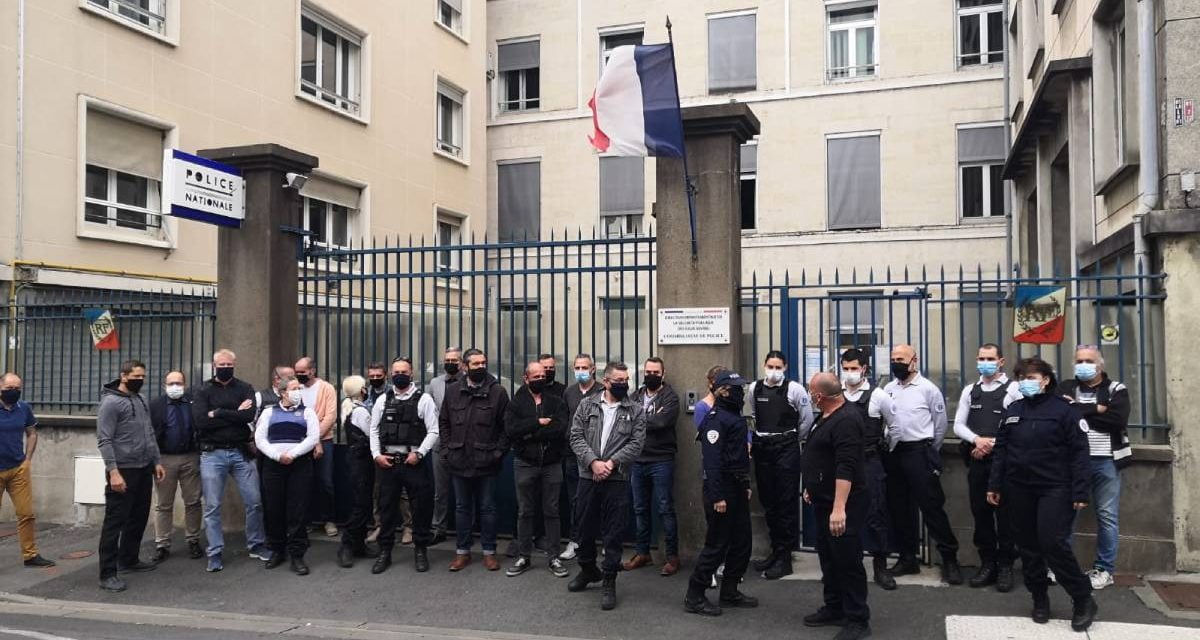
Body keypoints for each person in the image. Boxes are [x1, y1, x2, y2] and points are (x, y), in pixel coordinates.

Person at [988, 357, 1098, 631]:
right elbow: (1001, 451)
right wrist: (994, 485)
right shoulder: (1013, 410)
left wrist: (1080, 490)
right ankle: (1039, 598)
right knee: (1027, 547)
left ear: (1046, 380)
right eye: (1021, 377)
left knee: (1053, 543)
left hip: (1055, 488)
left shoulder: (1065, 410)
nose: (1025, 382)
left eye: (1031, 376)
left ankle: (1082, 597)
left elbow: (1080, 453)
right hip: (1019, 488)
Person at [567, 361, 646, 611]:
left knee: (613, 532)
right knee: (584, 528)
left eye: (626, 380)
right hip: (588, 476)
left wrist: (610, 463)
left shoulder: (635, 410)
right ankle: (588, 569)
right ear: (606, 380)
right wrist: (593, 463)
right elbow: (576, 436)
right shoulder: (587, 404)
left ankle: (609, 580)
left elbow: (636, 443)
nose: (623, 384)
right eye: (619, 380)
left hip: (617, 479)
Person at [883, 344, 962, 584]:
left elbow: (939, 427)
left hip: (920, 453)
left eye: (902, 358)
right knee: (899, 508)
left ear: (914, 361)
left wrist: (929, 452)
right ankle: (908, 558)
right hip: (894, 453)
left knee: (932, 508)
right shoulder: (888, 388)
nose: (897, 362)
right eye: (894, 358)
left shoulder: (928, 389)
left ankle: (950, 560)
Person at [801, 372, 870, 640]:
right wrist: (812, 487)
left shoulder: (847, 421)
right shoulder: (827, 416)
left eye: (811, 392)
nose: (809, 396)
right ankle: (835, 607)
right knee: (829, 558)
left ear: (820, 396)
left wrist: (839, 508)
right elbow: (820, 457)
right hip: (823, 499)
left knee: (847, 560)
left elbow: (846, 467)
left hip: (843, 504)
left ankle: (858, 619)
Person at [1057, 345, 1131, 591]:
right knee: (1067, 515)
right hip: (1073, 462)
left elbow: (1117, 420)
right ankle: (1062, 567)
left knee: (1107, 516)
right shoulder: (1066, 387)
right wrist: (1097, 409)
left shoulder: (1116, 389)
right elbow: (1061, 414)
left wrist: (1078, 409)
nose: (1083, 365)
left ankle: (1104, 570)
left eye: (1088, 360)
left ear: (1100, 364)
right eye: (1079, 360)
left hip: (1107, 460)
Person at [683, 370, 756, 617]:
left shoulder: (733, 416)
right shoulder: (716, 420)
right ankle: (695, 595)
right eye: (736, 389)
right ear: (723, 391)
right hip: (722, 490)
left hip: (736, 487)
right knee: (716, 545)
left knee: (742, 542)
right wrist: (717, 497)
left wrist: (745, 484)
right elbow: (712, 463)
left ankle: (730, 590)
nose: (741, 393)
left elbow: (739, 459)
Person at [952, 344, 1022, 591]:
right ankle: (988, 564)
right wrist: (977, 440)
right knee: (981, 515)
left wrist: (991, 443)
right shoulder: (971, 390)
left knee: (1005, 517)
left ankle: (1005, 566)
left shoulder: (1013, 389)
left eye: (990, 358)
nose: (985, 362)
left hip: (1003, 462)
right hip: (978, 459)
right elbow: (958, 425)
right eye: (981, 358)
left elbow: (1019, 423)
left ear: (1001, 361)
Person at [194, 349, 270, 572]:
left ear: (234, 365)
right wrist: (233, 413)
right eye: (221, 364)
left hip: (240, 453)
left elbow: (248, 417)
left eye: (229, 364)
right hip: (212, 454)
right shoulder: (202, 390)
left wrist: (217, 413)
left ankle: (256, 544)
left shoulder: (244, 388)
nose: (225, 367)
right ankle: (215, 552)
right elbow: (200, 422)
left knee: (255, 502)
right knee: (213, 506)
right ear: (214, 365)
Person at [96, 360, 165, 592]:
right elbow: (104, 439)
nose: (141, 380)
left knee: (139, 515)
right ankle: (107, 573)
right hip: (123, 469)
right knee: (115, 521)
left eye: (143, 376)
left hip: (144, 466)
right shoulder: (110, 403)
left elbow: (149, 433)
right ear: (123, 376)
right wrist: (113, 472)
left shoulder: (141, 400)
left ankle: (129, 559)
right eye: (136, 376)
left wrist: (156, 461)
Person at [747, 350, 814, 580]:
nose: (774, 370)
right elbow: (753, 414)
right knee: (769, 501)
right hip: (763, 447)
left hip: (786, 447)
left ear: (785, 367)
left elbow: (807, 420)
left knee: (786, 502)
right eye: (770, 366)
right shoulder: (754, 388)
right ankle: (775, 551)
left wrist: (790, 439)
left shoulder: (795, 389)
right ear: (764, 365)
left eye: (778, 367)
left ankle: (785, 558)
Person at [369, 358, 440, 574]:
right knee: (387, 509)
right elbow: (373, 430)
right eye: (396, 371)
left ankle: (420, 550)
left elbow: (434, 431)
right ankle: (385, 552)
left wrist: (419, 454)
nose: (400, 374)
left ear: (412, 373)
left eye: (404, 371)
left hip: (413, 463)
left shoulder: (424, 399)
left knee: (421, 509)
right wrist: (376, 456)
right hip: (387, 463)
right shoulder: (383, 400)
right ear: (391, 374)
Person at [440, 348, 508, 571]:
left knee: (487, 508)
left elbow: (505, 429)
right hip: (459, 460)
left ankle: (489, 552)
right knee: (462, 508)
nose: (480, 367)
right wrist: (449, 449)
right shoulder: (452, 391)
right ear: (465, 366)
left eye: (483, 363)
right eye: (475, 364)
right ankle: (463, 552)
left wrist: (497, 453)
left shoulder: (498, 392)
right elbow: (444, 423)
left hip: (486, 461)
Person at [505, 361, 571, 578]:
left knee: (551, 511)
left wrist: (531, 432)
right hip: (525, 463)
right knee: (525, 511)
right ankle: (524, 555)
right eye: (536, 377)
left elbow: (559, 428)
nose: (541, 379)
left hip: (551, 464)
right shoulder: (517, 402)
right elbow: (511, 430)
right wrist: (537, 422)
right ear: (526, 379)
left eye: (543, 375)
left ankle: (553, 557)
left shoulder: (556, 401)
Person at [839, 348, 896, 590]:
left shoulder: (878, 396)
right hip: (842, 464)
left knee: (876, 513)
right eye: (846, 368)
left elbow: (895, 428)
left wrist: (882, 450)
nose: (850, 373)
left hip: (869, 461)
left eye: (854, 368)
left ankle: (880, 566)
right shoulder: (837, 393)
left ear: (864, 368)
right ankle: (845, 565)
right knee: (843, 514)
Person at [255, 377, 320, 575]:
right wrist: (277, 456)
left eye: (298, 389)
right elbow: (260, 438)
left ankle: (297, 554)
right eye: (293, 389)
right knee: (274, 508)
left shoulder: (307, 412)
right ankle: (277, 550)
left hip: (299, 465)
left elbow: (313, 438)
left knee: (297, 510)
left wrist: (292, 454)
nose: (297, 392)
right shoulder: (268, 412)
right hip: (273, 466)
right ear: (283, 393)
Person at [625, 357, 682, 576]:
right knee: (640, 509)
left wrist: (638, 418)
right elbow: (624, 419)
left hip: (661, 461)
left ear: (663, 374)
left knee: (665, 508)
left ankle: (672, 557)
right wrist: (647, 418)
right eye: (648, 371)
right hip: (637, 461)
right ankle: (642, 553)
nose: (651, 375)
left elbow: (662, 423)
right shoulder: (636, 396)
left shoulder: (670, 397)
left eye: (655, 372)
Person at [0, 373, 56, 568]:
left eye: (17, 388)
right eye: (9, 389)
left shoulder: (24, 408)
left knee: (26, 514)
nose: (13, 392)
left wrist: (28, 460)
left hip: (18, 469)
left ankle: (30, 555)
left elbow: (32, 433)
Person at [149, 370, 203, 563]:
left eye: (178, 383)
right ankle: (162, 544)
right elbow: (150, 433)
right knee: (163, 504)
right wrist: (154, 461)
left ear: (185, 384)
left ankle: (193, 540)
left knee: (193, 502)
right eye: (171, 383)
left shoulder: (192, 403)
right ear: (165, 385)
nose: (175, 387)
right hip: (164, 459)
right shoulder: (156, 405)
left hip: (190, 457)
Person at [559, 352, 602, 562]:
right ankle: (575, 541)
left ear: (593, 369)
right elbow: (565, 422)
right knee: (575, 499)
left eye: (585, 367)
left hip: (597, 456)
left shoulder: (603, 390)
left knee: (599, 499)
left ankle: (600, 541)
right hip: (572, 455)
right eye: (577, 367)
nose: (581, 371)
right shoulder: (569, 393)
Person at [293, 357, 337, 538]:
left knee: (325, 481)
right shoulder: (295, 388)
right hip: (299, 441)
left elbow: (330, 416)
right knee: (302, 482)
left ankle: (329, 519)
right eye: (297, 371)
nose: (299, 375)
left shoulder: (326, 388)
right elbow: (294, 413)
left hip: (324, 440)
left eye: (303, 371)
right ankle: (306, 520)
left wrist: (315, 438)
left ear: (312, 370)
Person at [426, 347, 463, 545]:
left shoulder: (467, 381)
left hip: (464, 444)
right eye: (447, 359)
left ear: (461, 363)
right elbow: (429, 411)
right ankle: (438, 528)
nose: (450, 363)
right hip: (440, 443)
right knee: (440, 491)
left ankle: (464, 530)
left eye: (454, 360)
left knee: (464, 490)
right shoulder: (434, 383)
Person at [338, 375, 374, 568]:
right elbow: (372, 434)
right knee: (361, 505)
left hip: (355, 460)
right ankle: (347, 545)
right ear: (361, 390)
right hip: (361, 461)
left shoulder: (350, 408)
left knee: (364, 503)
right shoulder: (360, 412)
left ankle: (359, 544)